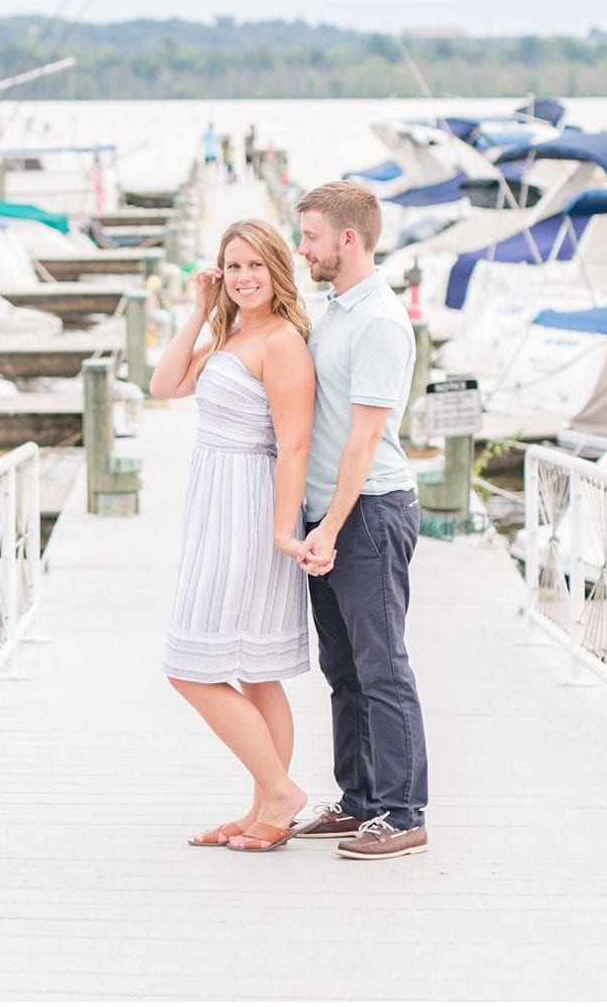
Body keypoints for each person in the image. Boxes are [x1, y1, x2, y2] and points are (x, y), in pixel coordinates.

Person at [152, 219, 317, 853]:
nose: (245, 278)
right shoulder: (236, 331)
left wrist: (282, 530)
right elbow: (164, 385)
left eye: (256, 266)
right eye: (234, 266)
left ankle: (280, 792)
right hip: (214, 506)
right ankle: (264, 809)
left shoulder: (282, 343)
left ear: (279, 269)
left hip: (250, 511)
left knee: (191, 666)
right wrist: (200, 309)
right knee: (256, 672)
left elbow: (294, 442)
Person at [290, 180, 430, 861]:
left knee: (382, 668)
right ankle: (360, 801)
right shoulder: (335, 310)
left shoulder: (377, 320)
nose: (302, 248)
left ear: (348, 239)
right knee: (343, 668)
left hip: (369, 513)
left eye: (311, 236)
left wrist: (331, 526)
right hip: (331, 515)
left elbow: (364, 439)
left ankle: (404, 814)